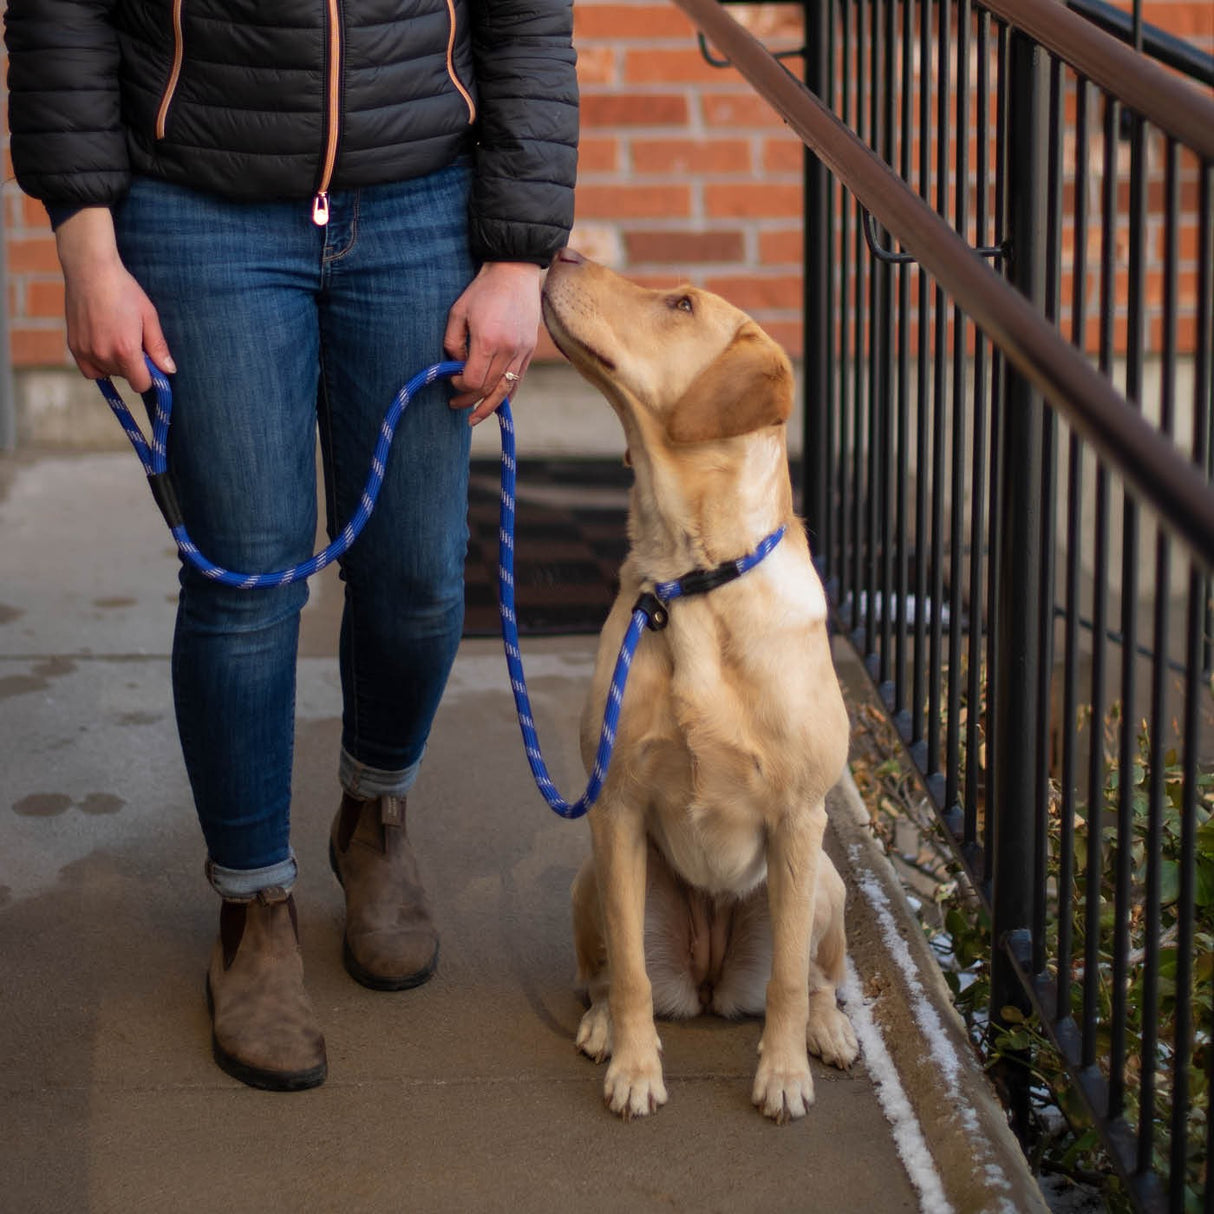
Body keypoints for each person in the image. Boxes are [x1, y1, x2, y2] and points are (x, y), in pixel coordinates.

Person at [5, 0, 578, 1092]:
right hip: (198, 204)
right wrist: (84, 240)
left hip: (422, 198)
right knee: (244, 577)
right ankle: (252, 908)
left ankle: (373, 812)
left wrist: (516, 254)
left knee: (413, 574)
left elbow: (528, 19)